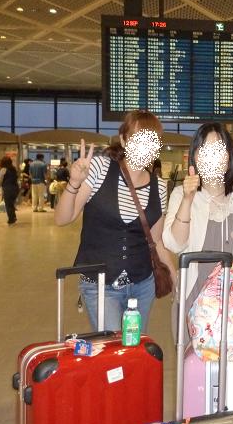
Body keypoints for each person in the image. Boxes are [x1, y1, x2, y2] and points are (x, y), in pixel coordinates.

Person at [55, 110, 174, 333]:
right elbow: (63, 218)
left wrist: (177, 283)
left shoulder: (159, 186)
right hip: (101, 284)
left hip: (143, 284)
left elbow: (157, 241)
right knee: (113, 348)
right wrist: (74, 183)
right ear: (124, 140)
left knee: (133, 347)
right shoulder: (100, 168)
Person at [162, 123, 233, 343]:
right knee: (194, 362)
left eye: (218, 150)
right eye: (205, 150)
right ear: (195, 157)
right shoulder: (181, 194)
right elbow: (174, 243)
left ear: (228, 156)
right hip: (194, 298)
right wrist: (188, 200)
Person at [0, 156, 19, 225]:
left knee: (8, 205)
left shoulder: (3, 169)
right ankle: (14, 217)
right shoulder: (13, 169)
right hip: (15, 188)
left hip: (7, 188)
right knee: (11, 203)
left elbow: (0, 179)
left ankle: (11, 220)